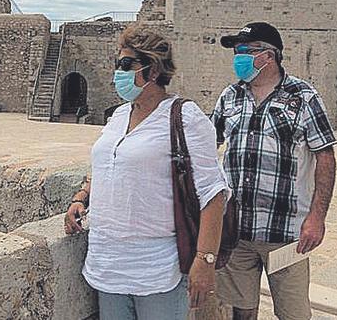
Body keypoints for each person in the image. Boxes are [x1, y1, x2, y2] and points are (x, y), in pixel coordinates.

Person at [64, 24, 230, 320]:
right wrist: (81, 197)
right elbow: (105, 167)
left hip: (157, 269)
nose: (119, 71)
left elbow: (213, 193)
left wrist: (205, 261)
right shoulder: (118, 115)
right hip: (107, 263)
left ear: (153, 71)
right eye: (118, 63)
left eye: (127, 64)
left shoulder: (185, 117)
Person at [211, 22, 337, 320]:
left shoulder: (303, 97)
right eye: (236, 52)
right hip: (236, 231)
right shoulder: (230, 96)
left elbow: (326, 157)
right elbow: (206, 147)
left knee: (292, 313)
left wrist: (317, 218)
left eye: (244, 51)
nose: (237, 58)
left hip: (285, 234)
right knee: (240, 311)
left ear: (268, 56)